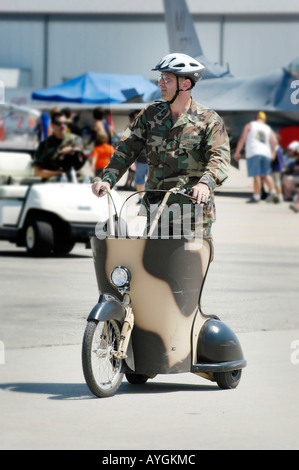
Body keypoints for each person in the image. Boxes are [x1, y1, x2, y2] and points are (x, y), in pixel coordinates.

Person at [92, 53, 230, 243]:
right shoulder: (150, 115)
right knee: (153, 267)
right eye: (161, 78)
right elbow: (125, 150)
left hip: (193, 212)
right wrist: (107, 180)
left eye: (167, 78)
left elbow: (219, 157)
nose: (160, 83)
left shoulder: (209, 120)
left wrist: (205, 183)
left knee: (189, 269)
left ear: (185, 84)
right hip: (158, 210)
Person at [234, 111, 279, 203]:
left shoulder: (250, 125)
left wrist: (237, 152)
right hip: (266, 153)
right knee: (266, 174)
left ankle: (256, 196)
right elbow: (274, 141)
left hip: (254, 152)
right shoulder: (267, 128)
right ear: (264, 119)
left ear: (256, 118)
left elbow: (243, 138)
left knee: (256, 175)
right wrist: (273, 153)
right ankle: (274, 193)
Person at [33, 110, 86, 180]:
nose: (62, 126)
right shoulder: (44, 144)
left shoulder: (75, 139)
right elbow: (37, 172)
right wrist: (58, 173)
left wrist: (70, 150)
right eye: (58, 123)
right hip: (52, 184)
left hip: (75, 181)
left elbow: (79, 150)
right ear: (52, 125)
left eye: (65, 123)